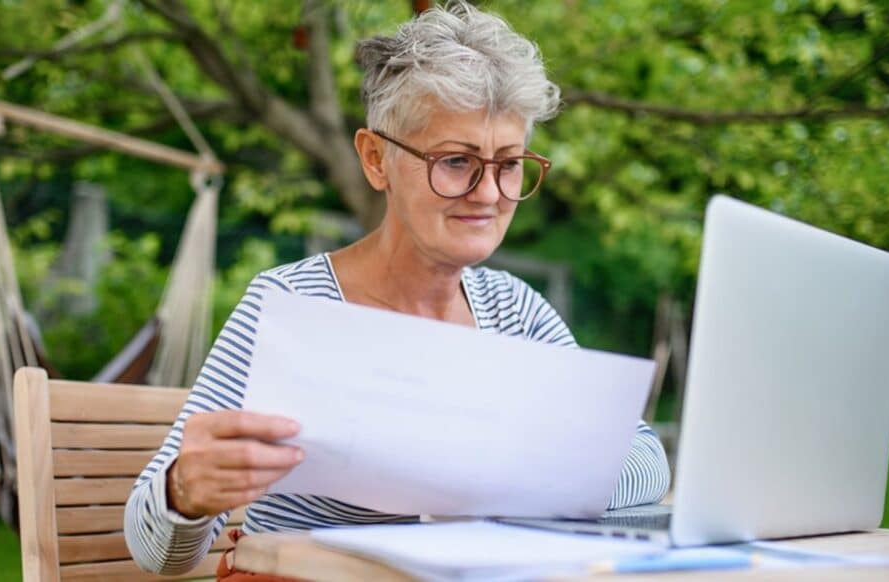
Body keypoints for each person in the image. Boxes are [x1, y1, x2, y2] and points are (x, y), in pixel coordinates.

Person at [125, 1, 671, 578]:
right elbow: (156, 550)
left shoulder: (516, 313)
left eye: (509, 164)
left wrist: (494, 477)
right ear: (376, 159)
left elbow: (644, 458)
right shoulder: (292, 308)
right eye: (457, 161)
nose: (488, 194)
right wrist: (184, 489)